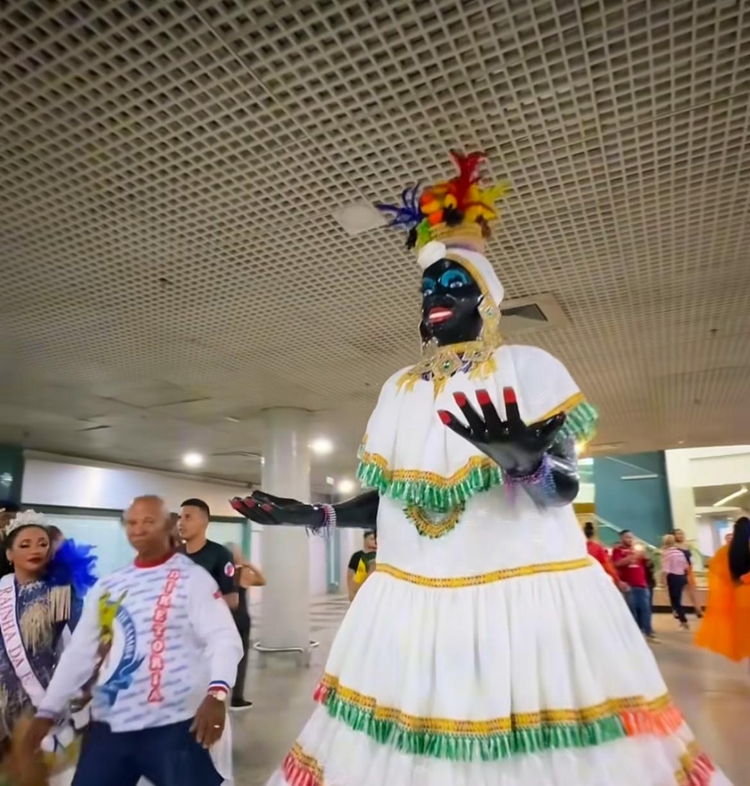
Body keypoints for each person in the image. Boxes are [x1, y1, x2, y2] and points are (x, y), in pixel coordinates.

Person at [231, 152, 730, 785]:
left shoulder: (530, 369)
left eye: (453, 285)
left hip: (519, 601)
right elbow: (391, 497)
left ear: (487, 299)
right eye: (428, 288)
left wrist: (526, 464)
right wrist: (317, 513)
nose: (436, 297)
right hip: (409, 603)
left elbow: (563, 488)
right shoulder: (398, 389)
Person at [22, 495, 243, 786]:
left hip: (174, 722)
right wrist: (49, 710)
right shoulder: (110, 586)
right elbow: (80, 653)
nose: (138, 529)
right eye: (132, 522)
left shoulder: (193, 580)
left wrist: (217, 693)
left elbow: (224, 638)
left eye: (148, 521)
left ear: (168, 526)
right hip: (112, 724)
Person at [0, 510, 96, 786]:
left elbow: (83, 643)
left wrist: (87, 685)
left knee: (34, 775)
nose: (36, 550)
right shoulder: (2, 590)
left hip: (37, 699)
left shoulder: (61, 592)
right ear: (9, 553)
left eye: (42, 543)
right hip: (1, 700)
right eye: (25, 544)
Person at [695, 516, 750, 664]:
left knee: (746, 639)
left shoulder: (726, 551)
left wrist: (734, 582)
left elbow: (714, 568)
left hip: (739, 597)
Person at [224, 542, 265, 711]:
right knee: (241, 660)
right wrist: (250, 566)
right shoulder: (242, 574)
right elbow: (262, 580)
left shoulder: (219, 573)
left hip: (224, 621)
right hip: (241, 621)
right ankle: (237, 698)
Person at [179, 499, 238, 610]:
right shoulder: (174, 555)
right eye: (179, 518)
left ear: (204, 522)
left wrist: (200, 605)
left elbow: (232, 600)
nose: (181, 523)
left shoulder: (220, 555)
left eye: (187, 517)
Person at [612, 530, 656, 641]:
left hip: (642, 584)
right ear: (622, 538)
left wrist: (647, 559)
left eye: (631, 537)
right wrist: (631, 557)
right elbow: (617, 564)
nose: (630, 539)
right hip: (629, 585)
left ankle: (648, 632)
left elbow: (648, 565)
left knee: (646, 609)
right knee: (632, 610)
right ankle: (635, 635)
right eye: (627, 537)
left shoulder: (637, 551)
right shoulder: (618, 550)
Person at [661, 534, 690, 629]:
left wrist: (663, 580)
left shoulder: (667, 553)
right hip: (681, 577)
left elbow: (666, 569)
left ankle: (683, 619)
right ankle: (681, 618)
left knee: (675, 601)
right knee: (678, 599)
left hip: (673, 578)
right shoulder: (680, 552)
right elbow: (686, 566)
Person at [673, 528, 703, 618]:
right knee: (677, 593)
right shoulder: (673, 546)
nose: (680, 535)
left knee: (692, 591)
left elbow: (690, 557)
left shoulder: (687, 545)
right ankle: (676, 610)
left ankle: (698, 610)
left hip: (688, 570)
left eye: (681, 533)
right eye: (678, 534)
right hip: (678, 571)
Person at [582, 521, 622, 587]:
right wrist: (617, 580)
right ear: (594, 533)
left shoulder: (577, 547)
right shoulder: (596, 547)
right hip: (595, 579)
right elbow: (606, 565)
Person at [346, 530, 377, 601]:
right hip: (360, 589)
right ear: (365, 540)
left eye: (375, 539)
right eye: (371, 539)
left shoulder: (380, 556)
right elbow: (350, 576)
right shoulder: (358, 557)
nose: (374, 542)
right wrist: (351, 592)